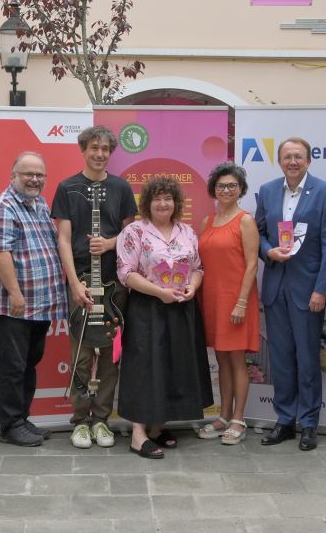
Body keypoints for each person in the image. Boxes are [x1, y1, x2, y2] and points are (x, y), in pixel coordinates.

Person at [51, 125, 137, 449]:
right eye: (94, 148)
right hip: (81, 285)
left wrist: (111, 241)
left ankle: (102, 420)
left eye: (105, 149)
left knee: (111, 357)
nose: (99, 154)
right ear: (83, 149)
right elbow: (62, 239)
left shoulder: (121, 188)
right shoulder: (67, 187)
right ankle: (79, 421)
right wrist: (74, 285)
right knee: (82, 356)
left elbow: (133, 234)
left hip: (116, 286)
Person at [116, 177, 213, 459]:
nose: (162, 203)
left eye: (168, 198)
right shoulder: (134, 232)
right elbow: (126, 274)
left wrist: (193, 286)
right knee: (145, 367)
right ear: (147, 203)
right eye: (157, 198)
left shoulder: (187, 232)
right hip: (148, 308)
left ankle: (158, 427)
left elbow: (197, 268)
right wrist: (159, 292)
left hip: (181, 308)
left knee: (174, 366)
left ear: (176, 203)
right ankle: (138, 434)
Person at [254, 137, 326, 451]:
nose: (293, 161)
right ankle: (285, 420)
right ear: (280, 161)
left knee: (306, 359)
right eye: (287, 156)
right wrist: (269, 252)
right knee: (280, 359)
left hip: (308, 291)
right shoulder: (267, 191)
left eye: (299, 157)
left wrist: (322, 289)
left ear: (308, 161)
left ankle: (308, 424)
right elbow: (259, 233)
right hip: (276, 287)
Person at [0, 153, 67, 447]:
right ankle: (11, 424)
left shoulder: (39, 204)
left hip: (40, 304)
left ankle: (22, 418)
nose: (34, 179)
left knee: (29, 362)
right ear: (13, 175)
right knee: (12, 366)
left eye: (40, 175)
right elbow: (0, 253)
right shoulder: (1, 207)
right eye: (28, 174)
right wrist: (15, 293)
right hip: (14, 305)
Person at [196, 162, 260, 445]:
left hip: (236, 300)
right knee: (221, 358)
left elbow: (251, 265)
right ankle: (222, 416)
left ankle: (238, 418)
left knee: (236, 359)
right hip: (211, 298)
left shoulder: (245, 220)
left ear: (241, 190)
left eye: (232, 186)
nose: (226, 190)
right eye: (221, 186)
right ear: (213, 190)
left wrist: (242, 302)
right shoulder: (206, 222)